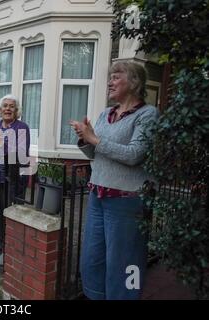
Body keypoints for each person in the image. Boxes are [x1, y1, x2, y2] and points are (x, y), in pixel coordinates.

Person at [70, 61, 159, 300]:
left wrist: (96, 139)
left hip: (127, 201)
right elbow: (96, 156)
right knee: (92, 259)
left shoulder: (148, 115)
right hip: (98, 196)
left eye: (116, 76)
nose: (110, 82)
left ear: (134, 82)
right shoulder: (105, 114)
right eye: (110, 77)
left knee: (127, 262)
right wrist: (85, 140)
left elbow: (134, 155)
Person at [0, 94, 30, 265]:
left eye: (11, 106)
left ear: (17, 111)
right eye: (5, 106)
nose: (8, 109)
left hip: (12, 179)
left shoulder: (22, 127)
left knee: (9, 213)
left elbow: (21, 153)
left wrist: (1, 142)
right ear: (0, 110)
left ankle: (7, 247)